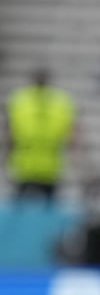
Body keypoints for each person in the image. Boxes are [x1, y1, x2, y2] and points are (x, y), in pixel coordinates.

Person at [3, 67, 81, 204]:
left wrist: (6, 157)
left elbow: (9, 135)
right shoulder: (61, 102)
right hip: (49, 165)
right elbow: (73, 137)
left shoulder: (19, 100)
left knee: (20, 208)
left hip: (25, 163)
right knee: (47, 208)